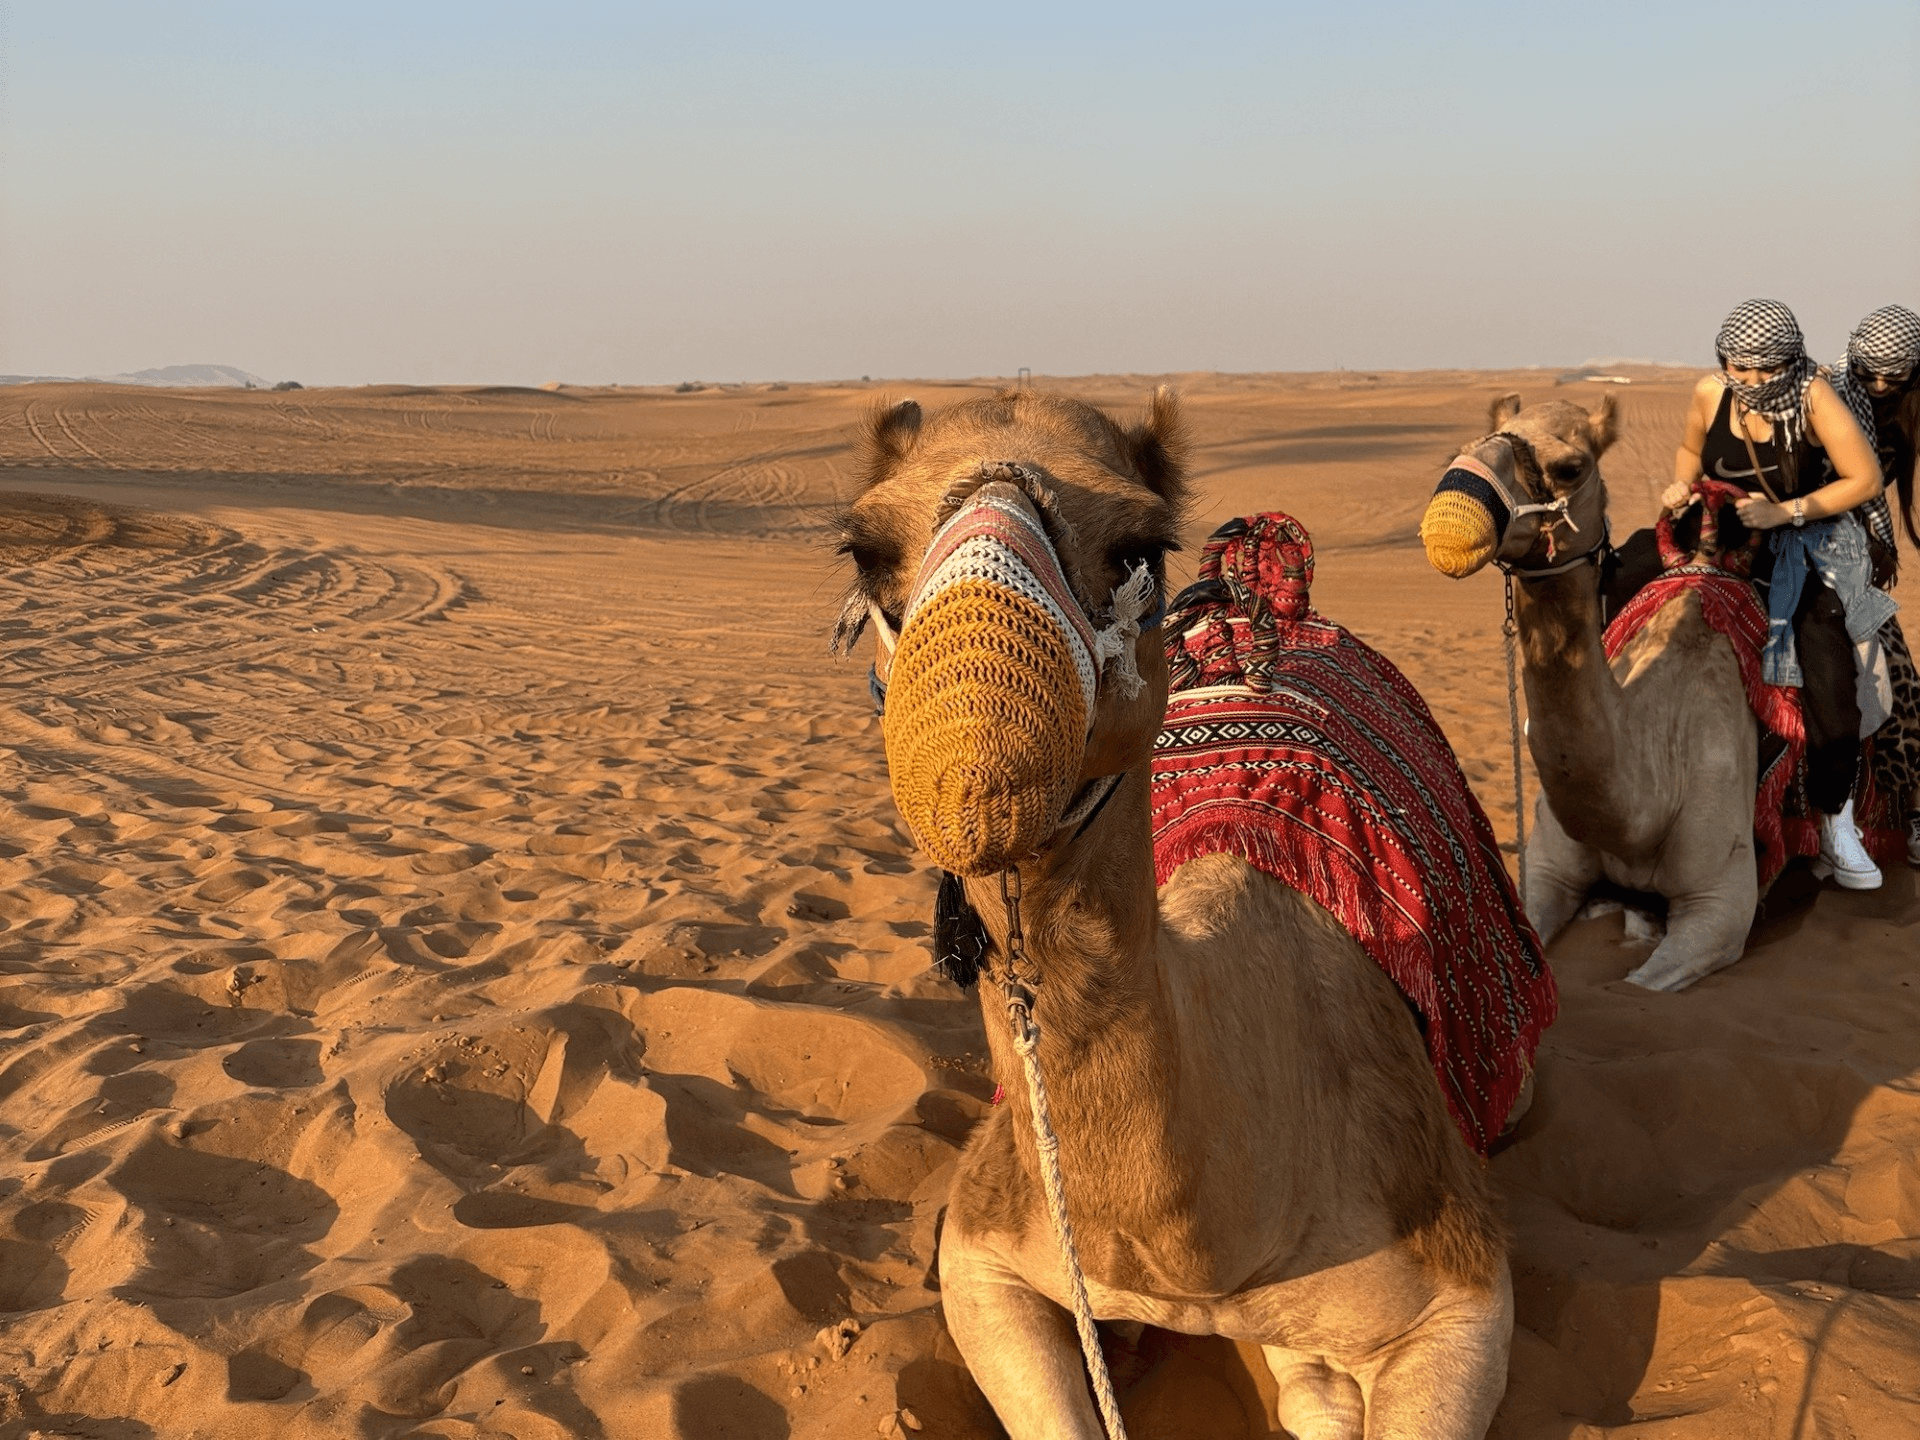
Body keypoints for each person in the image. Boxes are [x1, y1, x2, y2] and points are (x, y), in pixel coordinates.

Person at [1661, 299, 1892, 888]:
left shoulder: (1815, 395)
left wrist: (1785, 511)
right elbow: (1692, 453)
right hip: (1720, 533)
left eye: (1767, 370)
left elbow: (1861, 478)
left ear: (1791, 361)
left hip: (1802, 542)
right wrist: (1680, 488)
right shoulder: (1712, 392)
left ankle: (1835, 821)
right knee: (1619, 577)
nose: (1755, 382)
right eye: (1742, 369)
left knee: (1828, 668)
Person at [1832, 304, 1920, 863]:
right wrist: (1876, 543)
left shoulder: (1906, 405)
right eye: (1872, 375)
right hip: (1811, 538)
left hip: (1858, 550)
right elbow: (1857, 484)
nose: (1881, 386)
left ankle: (1911, 813)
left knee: (1901, 677)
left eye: (1895, 376)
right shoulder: (1837, 391)